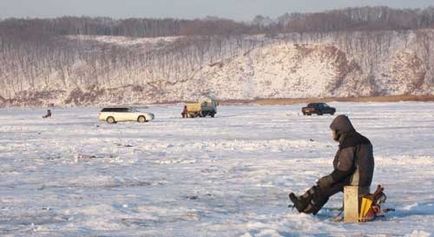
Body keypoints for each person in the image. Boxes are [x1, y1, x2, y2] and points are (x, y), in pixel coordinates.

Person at [289, 115, 374, 215]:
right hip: (362, 178)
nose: (332, 134)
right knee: (326, 183)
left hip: (356, 180)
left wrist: (329, 179)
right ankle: (303, 201)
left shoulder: (350, 142)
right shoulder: (359, 139)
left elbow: (345, 168)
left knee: (326, 186)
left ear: (339, 130)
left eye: (333, 131)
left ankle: (307, 210)